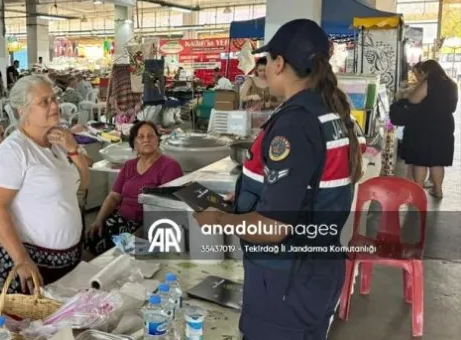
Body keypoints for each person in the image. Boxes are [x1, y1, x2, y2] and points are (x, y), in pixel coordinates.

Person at [193, 19, 365, 340]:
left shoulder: (295, 123)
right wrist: (245, 203)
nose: (266, 69)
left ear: (280, 63)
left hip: (288, 283)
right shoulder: (331, 112)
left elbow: (272, 229)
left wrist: (218, 219)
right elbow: (309, 190)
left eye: (267, 61)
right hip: (317, 272)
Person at [0, 75, 90, 295]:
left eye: (54, 99)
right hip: (29, 263)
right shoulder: (13, 152)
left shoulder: (57, 144)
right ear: (23, 111)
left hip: (66, 260)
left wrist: (73, 149)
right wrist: (21, 260)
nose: (55, 106)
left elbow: (84, 185)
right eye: (44, 102)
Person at [84, 121, 183, 257]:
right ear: (134, 143)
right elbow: (113, 197)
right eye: (140, 137)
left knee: (121, 251)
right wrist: (99, 220)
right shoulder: (129, 166)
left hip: (148, 223)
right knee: (94, 236)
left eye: (151, 136)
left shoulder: (170, 166)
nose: (146, 139)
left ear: (158, 140)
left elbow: (168, 208)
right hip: (122, 218)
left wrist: (143, 232)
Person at [394, 60, 458, 198]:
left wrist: (405, 95)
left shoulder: (430, 81)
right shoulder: (452, 84)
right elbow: (453, 107)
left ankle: (418, 191)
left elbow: (414, 100)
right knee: (437, 160)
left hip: (425, 125)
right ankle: (438, 189)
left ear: (427, 71)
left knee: (420, 160)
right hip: (445, 125)